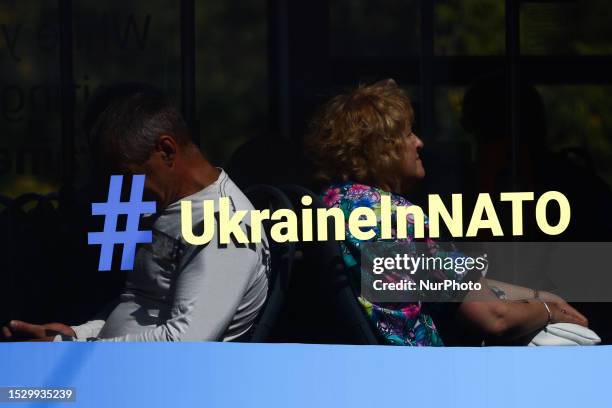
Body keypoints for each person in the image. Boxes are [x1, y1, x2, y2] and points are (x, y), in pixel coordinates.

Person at [304, 79, 588, 346]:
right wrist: (549, 310)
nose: (419, 143)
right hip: (424, 377)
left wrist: (537, 296)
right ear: (381, 149)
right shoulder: (397, 217)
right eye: (408, 134)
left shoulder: (332, 203)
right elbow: (493, 316)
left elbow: (458, 282)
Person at [1, 90, 270, 342]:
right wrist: (74, 336)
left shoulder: (223, 223)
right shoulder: (168, 206)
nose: (121, 190)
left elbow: (184, 342)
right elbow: (136, 304)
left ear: (166, 150)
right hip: (124, 368)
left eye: (127, 176)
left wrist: (81, 349)